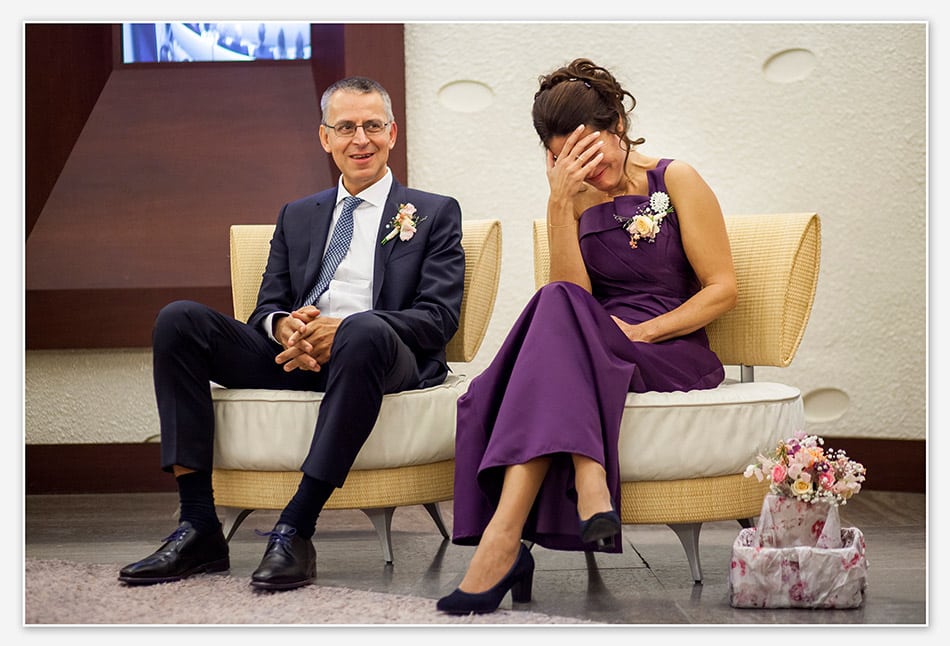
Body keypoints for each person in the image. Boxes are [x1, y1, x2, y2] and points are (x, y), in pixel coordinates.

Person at [118, 76, 465, 591]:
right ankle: (198, 527)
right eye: (345, 127)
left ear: (392, 133)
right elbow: (267, 305)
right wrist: (285, 328)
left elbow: (438, 318)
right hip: (296, 357)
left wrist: (341, 330)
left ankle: (295, 528)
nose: (361, 139)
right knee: (179, 320)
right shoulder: (297, 214)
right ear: (325, 137)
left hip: (380, 356)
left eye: (373, 126)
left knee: (362, 331)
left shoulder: (434, 212)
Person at [436, 58, 737, 615]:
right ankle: (585, 482)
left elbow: (722, 289)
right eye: (567, 160)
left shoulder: (676, 179)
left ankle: (504, 542)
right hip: (593, 345)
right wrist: (558, 203)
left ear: (618, 125)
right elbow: (572, 293)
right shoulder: (571, 196)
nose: (588, 171)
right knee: (557, 300)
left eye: (593, 154)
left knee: (550, 325)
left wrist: (642, 331)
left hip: (668, 346)